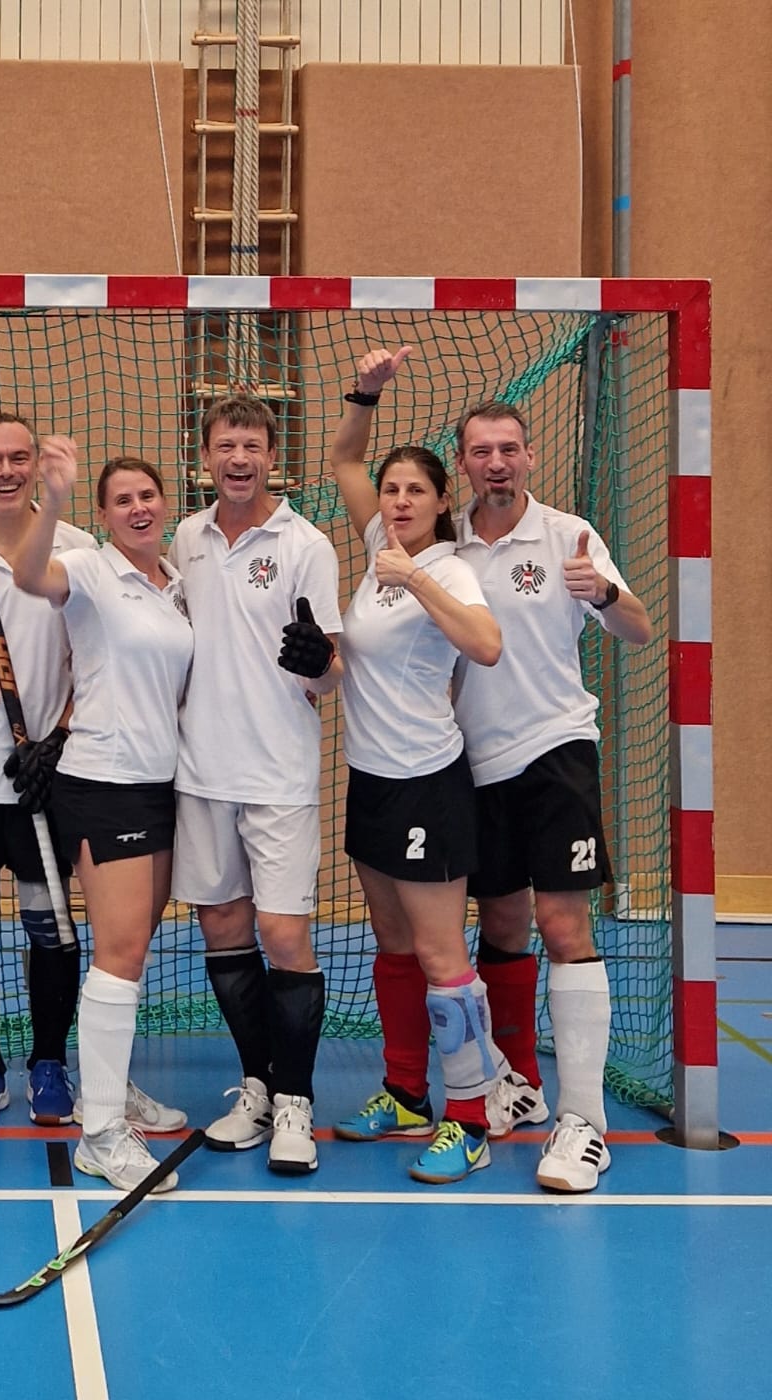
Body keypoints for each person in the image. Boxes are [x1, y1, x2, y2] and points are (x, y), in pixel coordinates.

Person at [0, 413, 183, 1136]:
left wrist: (57, 737)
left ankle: (49, 1064)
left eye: (18, 457)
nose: (5, 470)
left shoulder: (79, 548)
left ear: (35, 465)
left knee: (49, 922)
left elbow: (86, 660)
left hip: (50, 777)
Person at [447, 389, 654, 1193]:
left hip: (555, 750)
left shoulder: (569, 535)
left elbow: (637, 628)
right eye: (482, 451)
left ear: (529, 455)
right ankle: (520, 1085)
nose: (497, 463)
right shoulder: (446, 545)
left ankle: (583, 1122)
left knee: (564, 923)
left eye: (509, 449)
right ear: (464, 462)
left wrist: (602, 592)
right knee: (500, 923)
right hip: (474, 762)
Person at [325, 347, 507, 1185]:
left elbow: (487, 646)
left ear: (441, 503)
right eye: (392, 490)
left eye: (414, 491)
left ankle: (469, 1117)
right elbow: (344, 460)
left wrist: (416, 579)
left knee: (441, 956)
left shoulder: (451, 568)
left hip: (429, 783)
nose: (398, 501)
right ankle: (405, 1092)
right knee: (392, 945)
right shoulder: (378, 542)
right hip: (371, 779)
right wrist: (365, 393)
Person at [12, 442, 195, 1193]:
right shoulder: (88, 569)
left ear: (165, 503)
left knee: (133, 948)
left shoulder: (175, 584)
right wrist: (51, 499)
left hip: (160, 785)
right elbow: (29, 576)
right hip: (102, 782)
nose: (138, 508)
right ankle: (100, 1136)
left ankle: (104, 1090)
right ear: (104, 515)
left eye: (147, 495)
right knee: (117, 953)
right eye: (122, 500)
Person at [168, 396, 345, 1174]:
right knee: (222, 928)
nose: (238, 458)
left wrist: (321, 662)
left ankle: (297, 1102)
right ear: (204, 455)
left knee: (283, 933)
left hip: (278, 772)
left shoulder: (307, 545)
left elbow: (331, 671)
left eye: (251, 446)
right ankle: (259, 1088)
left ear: (274, 455)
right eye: (225, 445)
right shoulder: (187, 538)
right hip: (201, 770)